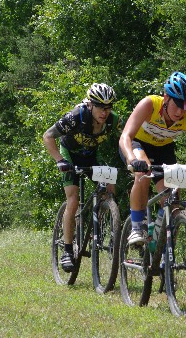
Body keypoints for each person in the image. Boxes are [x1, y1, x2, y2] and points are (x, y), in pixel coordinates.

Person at [119, 71, 186, 245]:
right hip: (137, 144)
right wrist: (132, 160)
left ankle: (164, 248)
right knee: (144, 172)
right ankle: (137, 226)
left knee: (173, 200)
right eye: (177, 104)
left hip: (163, 149)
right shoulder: (149, 105)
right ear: (166, 97)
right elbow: (125, 137)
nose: (180, 111)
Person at [43, 83, 119, 272]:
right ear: (91, 105)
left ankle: (103, 223)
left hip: (91, 155)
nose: (105, 112)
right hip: (69, 154)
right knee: (73, 199)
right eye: (101, 107)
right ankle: (68, 250)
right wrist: (59, 160)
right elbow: (48, 136)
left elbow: (128, 135)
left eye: (108, 107)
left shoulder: (113, 121)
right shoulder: (76, 116)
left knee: (110, 186)